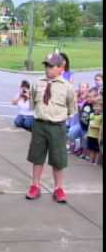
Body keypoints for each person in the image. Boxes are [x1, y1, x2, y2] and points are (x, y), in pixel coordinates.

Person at [26, 53, 76, 203]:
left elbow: (71, 109)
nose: (47, 69)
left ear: (61, 68)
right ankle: (35, 185)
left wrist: (58, 118)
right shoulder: (37, 83)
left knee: (58, 159)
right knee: (37, 157)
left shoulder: (67, 87)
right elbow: (33, 104)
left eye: (51, 66)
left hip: (57, 126)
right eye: (46, 65)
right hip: (40, 125)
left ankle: (58, 188)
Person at [67, 87, 96, 156]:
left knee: (85, 142)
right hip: (81, 124)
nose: (88, 98)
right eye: (88, 97)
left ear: (95, 97)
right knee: (71, 133)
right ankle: (76, 148)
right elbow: (82, 112)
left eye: (90, 97)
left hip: (88, 127)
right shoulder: (86, 103)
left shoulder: (95, 106)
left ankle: (85, 154)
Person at [86, 98, 103, 165]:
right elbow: (90, 125)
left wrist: (96, 128)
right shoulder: (91, 115)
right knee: (91, 149)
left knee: (97, 150)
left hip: (97, 135)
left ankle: (95, 162)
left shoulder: (101, 117)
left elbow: (101, 127)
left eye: (98, 106)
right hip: (91, 134)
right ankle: (90, 161)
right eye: (95, 106)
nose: (96, 108)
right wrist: (87, 133)